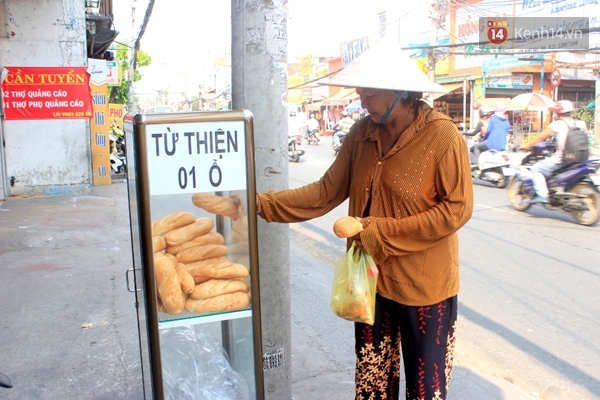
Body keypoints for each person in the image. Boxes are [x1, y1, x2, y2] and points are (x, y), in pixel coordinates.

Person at [256, 44, 473, 400]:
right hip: (370, 282)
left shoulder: (442, 136)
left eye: (370, 93)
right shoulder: (361, 133)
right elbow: (326, 192)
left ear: (401, 91)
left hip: (425, 287)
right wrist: (260, 204)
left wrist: (377, 231)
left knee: (426, 390)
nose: (363, 101)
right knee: (372, 383)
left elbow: (456, 211)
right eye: (361, 93)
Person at [522, 100, 586, 203]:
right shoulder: (578, 123)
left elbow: (540, 137)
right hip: (577, 158)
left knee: (535, 169)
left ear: (558, 112)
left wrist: (527, 145)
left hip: (561, 159)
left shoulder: (557, 124)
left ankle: (543, 195)